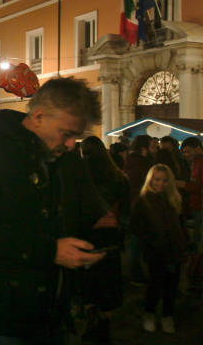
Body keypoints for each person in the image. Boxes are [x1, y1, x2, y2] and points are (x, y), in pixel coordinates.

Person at [0, 77, 107, 345]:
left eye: (77, 136)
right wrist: (51, 251)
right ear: (38, 117)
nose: (71, 144)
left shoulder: (62, 157)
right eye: (67, 133)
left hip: (50, 311)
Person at [79, 136, 131, 344]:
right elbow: (126, 210)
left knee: (88, 282)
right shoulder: (119, 176)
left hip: (86, 236)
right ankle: (104, 327)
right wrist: (120, 232)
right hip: (110, 237)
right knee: (108, 282)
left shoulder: (80, 175)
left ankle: (91, 323)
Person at [131, 164, 186, 334]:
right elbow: (137, 228)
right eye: (157, 179)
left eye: (164, 180)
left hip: (174, 249)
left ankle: (167, 315)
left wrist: (184, 243)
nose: (160, 183)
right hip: (156, 250)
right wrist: (150, 243)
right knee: (155, 284)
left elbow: (180, 223)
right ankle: (149, 313)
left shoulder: (174, 198)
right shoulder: (143, 200)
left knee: (172, 285)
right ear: (150, 179)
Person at [124, 134, 154, 284]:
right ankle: (136, 273)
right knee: (137, 241)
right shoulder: (144, 164)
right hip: (141, 205)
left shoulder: (127, 161)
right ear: (144, 148)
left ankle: (134, 271)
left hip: (130, 204)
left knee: (134, 240)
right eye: (151, 146)